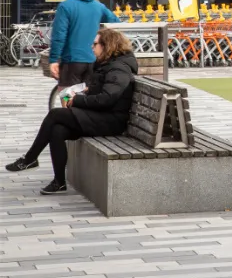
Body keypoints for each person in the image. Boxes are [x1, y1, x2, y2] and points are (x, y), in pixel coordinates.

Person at [7, 28, 138, 194]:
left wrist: (78, 100)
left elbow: (107, 99)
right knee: (57, 130)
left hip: (111, 121)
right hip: (102, 116)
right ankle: (59, 182)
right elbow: (100, 91)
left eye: (95, 44)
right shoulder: (108, 65)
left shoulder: (119, 68)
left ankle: (30, 158)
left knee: (55, 114)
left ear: (108, 46)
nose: (92, 47)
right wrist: (84, 92)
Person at [47, 0, 119, 96]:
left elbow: (59, 36)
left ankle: (69, 114)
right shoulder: (98, 6)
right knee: (86, 96)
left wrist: (53, 59)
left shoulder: (65, 6)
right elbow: (116, 22)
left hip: (71, 60)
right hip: (93, 59)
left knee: (66, 95)